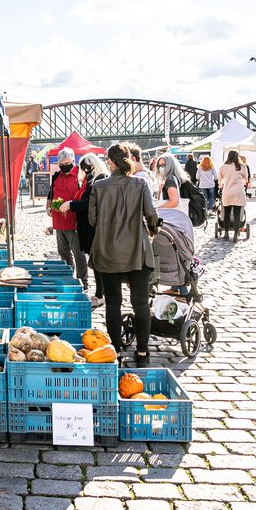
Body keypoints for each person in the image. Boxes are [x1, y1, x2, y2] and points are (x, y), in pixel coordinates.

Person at [89, 144, 159, 367]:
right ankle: (142, 353)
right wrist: (153, 230)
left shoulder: (99, 186)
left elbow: (93, 219)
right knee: (140, 304)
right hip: (137, 251)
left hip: (108, 251)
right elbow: (151, 214)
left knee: (112, 303)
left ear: (110, 162)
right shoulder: (140, 184)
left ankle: (116, 352)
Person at [58, 153, 109, 307]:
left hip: (94, 228)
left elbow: (91, 203)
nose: (85, 169)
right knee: (95, 262)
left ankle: (101, 294)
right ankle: (100, 293)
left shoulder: (99, 179)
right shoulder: (89, 180)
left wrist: (72, 205)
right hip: (88, 228)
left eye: (87, 166)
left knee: (98, 263)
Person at [46, 149, 86, 284]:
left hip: (75, 222)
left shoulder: (81, 176)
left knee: (79, 254)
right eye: (61, 164)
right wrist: (48, 206)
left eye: (67, 163)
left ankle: (83, 282)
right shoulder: (56, 175)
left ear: (73, 161)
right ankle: (69, 278)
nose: (64, 166)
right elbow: (50, 193)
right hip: (59, 222)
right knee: (63, 253)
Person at [218, 150, 248, 242]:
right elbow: (246, 179)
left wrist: (221, 185)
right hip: (239, 192)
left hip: (227, 192)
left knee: (226, 213)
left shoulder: (223, 167)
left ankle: (226, 232)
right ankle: (235, 233)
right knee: (237, 214)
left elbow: (220, 180)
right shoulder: (242, 166)